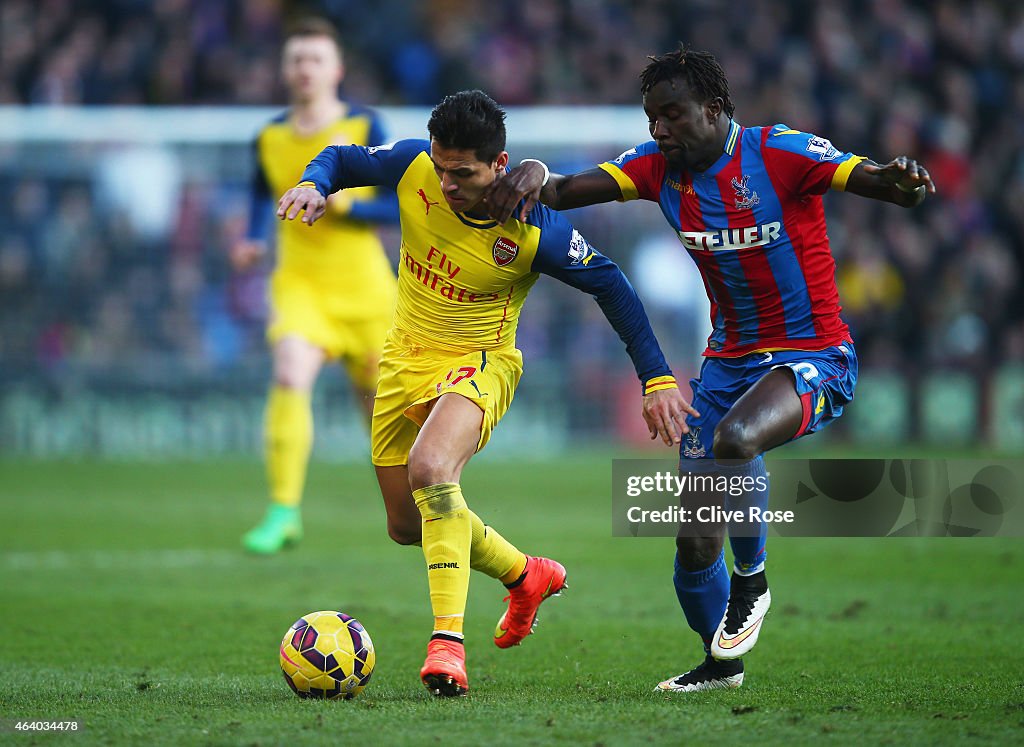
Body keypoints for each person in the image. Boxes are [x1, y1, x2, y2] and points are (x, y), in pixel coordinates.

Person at [488, 45, 935, 692]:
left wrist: (897, 182)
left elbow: (862, 175)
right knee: (695, 543)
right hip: (726, 362)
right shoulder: (653, 169)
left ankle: (752, 581)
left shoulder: (776, 151)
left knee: (735, 438)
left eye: (672, 114)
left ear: (715, 109)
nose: (659, 129)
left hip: (813, 354)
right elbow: (560, 190)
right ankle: (721, 664)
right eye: (651, 118)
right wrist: (531, 168)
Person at [277, 90, 694, 696]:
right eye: (441, 168)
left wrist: (656, 378)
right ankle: (525, 575)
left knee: (431, 471)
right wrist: (317, 183)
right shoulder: (415, 164)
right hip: (402, 360)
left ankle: (447, 644)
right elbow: (342, 159)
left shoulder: (534, 230)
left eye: (462, 172)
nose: (446, 182)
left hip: (480, 363)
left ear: (499, 166)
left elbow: (613, 286)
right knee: (404, 525)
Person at [233, 19, 398, 555]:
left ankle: (406, 507)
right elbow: (263, 193)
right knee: (288, 376)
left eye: (315, 59)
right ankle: (283, 512)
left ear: (337, 70)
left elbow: (399, 202)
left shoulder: (363, 127)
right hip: (300, 285)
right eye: (296, 59)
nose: (304, 68)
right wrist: (254, 237)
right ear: (285, 71)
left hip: (367, 290)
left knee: (378, 408)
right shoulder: (270, 136)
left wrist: (346, 206)